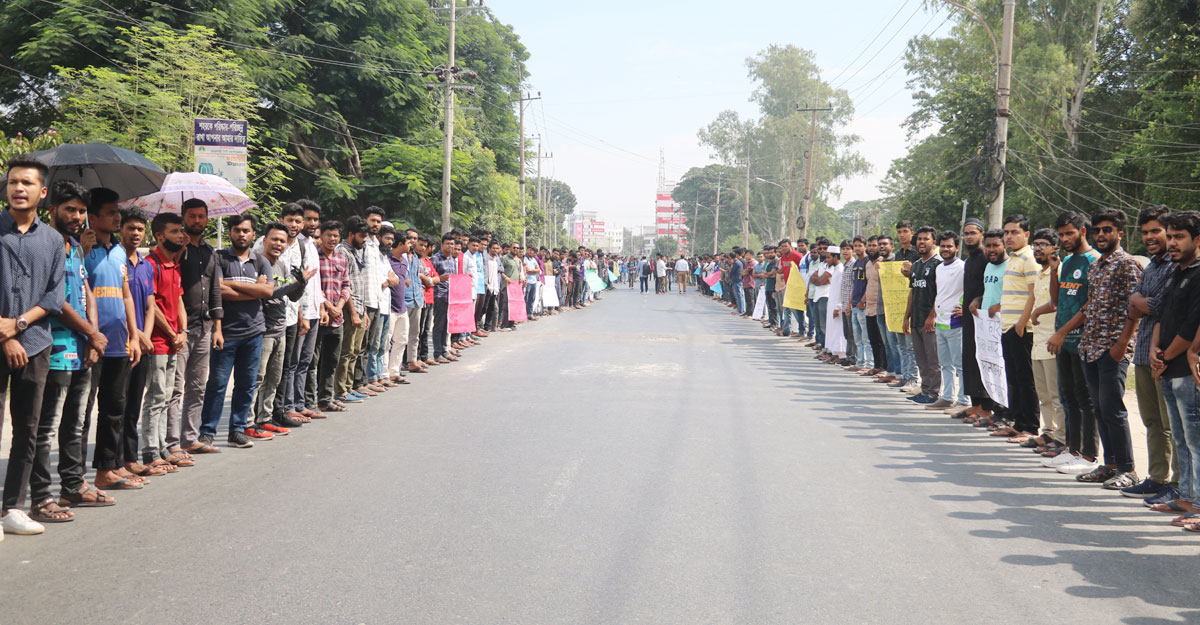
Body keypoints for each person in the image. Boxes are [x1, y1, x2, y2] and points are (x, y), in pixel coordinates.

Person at [29, 181, 103, 525]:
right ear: (51, 210)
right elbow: (54, 299)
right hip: (52, 348)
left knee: (75, 425)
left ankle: (72, 485)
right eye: (69, 209)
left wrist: (93, 336)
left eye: (81, 210)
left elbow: (85, 289)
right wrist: (90, 333)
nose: (76, 216)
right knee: (46, 429)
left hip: (81, 348)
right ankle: (41, 497)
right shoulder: (44, 244)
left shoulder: (74, 245)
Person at [1, 155, 65, 536]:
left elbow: (55, 296)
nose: (18, 189)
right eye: (13, 182)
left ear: (42, 193)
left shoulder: (54, 240)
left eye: (26, 183)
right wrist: (5, 333)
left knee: (28, 428)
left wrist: (19, 325)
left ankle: (13, 507)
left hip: (37, 342)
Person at [1073, 208, 1142, 489]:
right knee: (1100, 409)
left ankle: (1128, 469)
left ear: (1119, 233)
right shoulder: (1096, 265)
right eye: (1098, 230)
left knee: (1113, 409)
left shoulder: (1128, 264)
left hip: (1113, 348)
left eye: (1107, 230)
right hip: (1091, 346)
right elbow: (1092, 304)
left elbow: (1136, 308)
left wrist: (1122, 345)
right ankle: (1110, 465)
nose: (1102, 235)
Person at [82, 187, 143, 491]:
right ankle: (75, 477)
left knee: (114, 408)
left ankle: (109, 467)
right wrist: (80, 249)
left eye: (117, 212)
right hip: (90, 342)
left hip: (120, 342)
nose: (117, 217)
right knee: (82, 411)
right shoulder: (82, 249)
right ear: (92, 217)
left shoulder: (119, 251)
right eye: (110, 212)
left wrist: (134, 334)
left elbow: (126, 294)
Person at [1122, 206, 1181, 501]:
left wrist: (1140, 300)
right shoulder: (1152, 266)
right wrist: (1141, 301)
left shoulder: (1177, 265)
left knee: (1172, 425)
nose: (1150, 237)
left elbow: (1157, 306)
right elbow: (1132, 306)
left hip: (1166, 355)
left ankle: (1179, 485)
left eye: (1155, 231)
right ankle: (1157, 478)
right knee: (1151, 421)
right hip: (1143, 352)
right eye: (1145, 232)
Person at [200, 215, 273, 448]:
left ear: (253, 234)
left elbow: (268, 292)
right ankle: (207, 432)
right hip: (225, 332)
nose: (241, 234)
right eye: (236, 230)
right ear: (230, 233)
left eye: (246, 230)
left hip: (254, 333)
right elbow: (217, 291)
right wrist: (255, 289)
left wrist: (235, 287)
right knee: (217, 384)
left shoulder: (261, 262)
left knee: (246, 384)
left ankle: (238, 430)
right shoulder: (218, 258)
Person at [1149, 210, 1200, 529]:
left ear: (1198, 240)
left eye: (1178, 237)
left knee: (1196, 439)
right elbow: (1160, 315)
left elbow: (1192, 323)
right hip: (1167, 365)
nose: (1171, 243)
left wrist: (1165, 355)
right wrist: (1156, 351)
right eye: (1170, 236)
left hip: (1185, 369)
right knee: (1181, 437)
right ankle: (1186, 496)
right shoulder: (1174, 272)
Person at [1045, 211, 1101, 475]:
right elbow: (1056, 300)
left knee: (1085, 398)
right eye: (1061, 234)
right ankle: (1072, 449)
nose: (1065, 238)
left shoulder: (1094, 261)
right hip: (1063, 341)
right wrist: (1055, 270)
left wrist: (1063, 332)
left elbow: (1090, 305)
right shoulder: (1067, 261)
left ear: (1083, 231)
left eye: (1070, 233)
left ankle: (1089, 456)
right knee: (1068, 396)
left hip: (1082, 340)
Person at [248, 221, 312, 439]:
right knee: (257, 377)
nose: (278, 244)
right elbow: (269, 293)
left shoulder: (283, 264)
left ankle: (264, 419)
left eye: (282, 241)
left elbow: (291, 297)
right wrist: (295, 285)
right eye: (274, 239)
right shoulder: (256, 263)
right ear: (264, 240)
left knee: (274, 378)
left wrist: (301, 284)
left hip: (281, 327)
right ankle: (247, 422)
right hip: (263, 329)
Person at [170, 199, 223, 456]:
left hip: (205, 326)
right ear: (183, 217)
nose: (197, 221)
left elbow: (215, 290)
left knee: (198, 386)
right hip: (180, 328)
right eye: (192, 216)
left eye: (201, 216)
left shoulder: (210, 252)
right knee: (175, 388)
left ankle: (189, 438)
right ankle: (170, 444)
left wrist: (218, 327)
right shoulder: (177, 250)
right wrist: (179, 251)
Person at [141, 213, 189, 472]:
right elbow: (152, 305)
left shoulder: (173, 264)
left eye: (181, 231)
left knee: (168, 394)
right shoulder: (151, 264)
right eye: (174, 232)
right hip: (158, 341)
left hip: (175, 340)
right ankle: (150, 451)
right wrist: (172, 333)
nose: (181, 235)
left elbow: (178, 300)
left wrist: (183, 330)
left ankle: (161, 446)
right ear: (159, 236)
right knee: (157, 395)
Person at [992, 214, 1041, 442]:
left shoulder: (1029, 259)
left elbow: (1034, 294)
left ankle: (1030, 427)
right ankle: (1017, 422)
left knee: (1025, 379)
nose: (1009, 236)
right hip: (1007, 326)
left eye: (1015, 232)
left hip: (1022, 328)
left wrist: (1022, 323)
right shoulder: (1013, 258)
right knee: (1012, 377)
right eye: (1007, 232)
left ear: (1026, 235)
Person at [1026, 228, 1067, 452]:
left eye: (1043, 244)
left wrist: (1036, 312)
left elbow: (1055, 301)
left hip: (1053, 338)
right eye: (1036, 244)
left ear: (1054, 248)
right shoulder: (1038, 273)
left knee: (1056, 393)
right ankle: (1048, 433)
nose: (1038, 249)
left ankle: (1061, 438)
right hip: (1037, 339)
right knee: (1043, 394)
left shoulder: (1058, 270)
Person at [956, 219, 993, 421]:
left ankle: (986, 408)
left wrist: (979, 301)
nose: (969, 236)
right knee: (969, 359)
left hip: (984, 317)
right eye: (966, 233)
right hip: (968, 318)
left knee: (982, 361)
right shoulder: (969, 260)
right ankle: (975, 405)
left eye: (973, 233)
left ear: (982, 233)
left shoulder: (987, 258)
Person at [315, 221, 350, 413]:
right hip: (320, 317)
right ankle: (309, 400)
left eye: (335, 235)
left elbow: (346, 285)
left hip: (337, 319)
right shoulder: (314, 257)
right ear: (321, 236)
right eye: (328, 235)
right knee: (314, 362)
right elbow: (314, 287)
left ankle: (325, 399)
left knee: (331, 361)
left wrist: (339, 306)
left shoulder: (340, 259)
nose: (332, 239)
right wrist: (328, 306)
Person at [334, 216, 370, 400]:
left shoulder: (357, 251)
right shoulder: (342, 251)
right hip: (349, 309)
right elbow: (344, 286)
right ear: (351, 234)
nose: (364, 239)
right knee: (346, 351)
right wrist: (354, 312)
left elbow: (359, 282)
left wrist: (363, 311)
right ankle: (340, 390)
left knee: (355, 351)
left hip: (360, 307)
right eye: (362, 236)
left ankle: (348, 387)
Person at [903, 226, 940, 404]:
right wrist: (906, 317)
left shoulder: (938, 264)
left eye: (926, 239)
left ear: (934, 241)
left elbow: (941, 293)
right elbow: (912, 292)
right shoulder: (916, 265)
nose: (922, 242)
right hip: (916, 318)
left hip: (930, 320)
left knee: (933, 359)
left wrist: (932, 316)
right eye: (919, 239)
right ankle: (925, 389)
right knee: (921, 358)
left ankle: (934, 393)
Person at [929, 230, 965, 410]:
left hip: (956, 323)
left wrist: (965, 308)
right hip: (940, 323)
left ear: (957, 248)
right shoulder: (939, 268)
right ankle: (947, 397)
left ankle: (964, 400)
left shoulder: (962, 267)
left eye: (949, 246)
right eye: (942, 246)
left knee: (960, 365)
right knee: (945, 364)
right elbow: (939, 294)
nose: (945, 249)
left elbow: (972, 289)